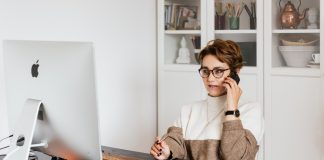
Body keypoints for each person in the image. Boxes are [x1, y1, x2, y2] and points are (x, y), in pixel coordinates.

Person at [150, 39, 264, 159]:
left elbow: (235, 157)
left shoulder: (251, 110)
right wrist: (167, 151)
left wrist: (231, 109)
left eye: (218, 71)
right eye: (205, 71)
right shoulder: (188, 110)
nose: (210, 78)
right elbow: (174, 140)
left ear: (235, 72)